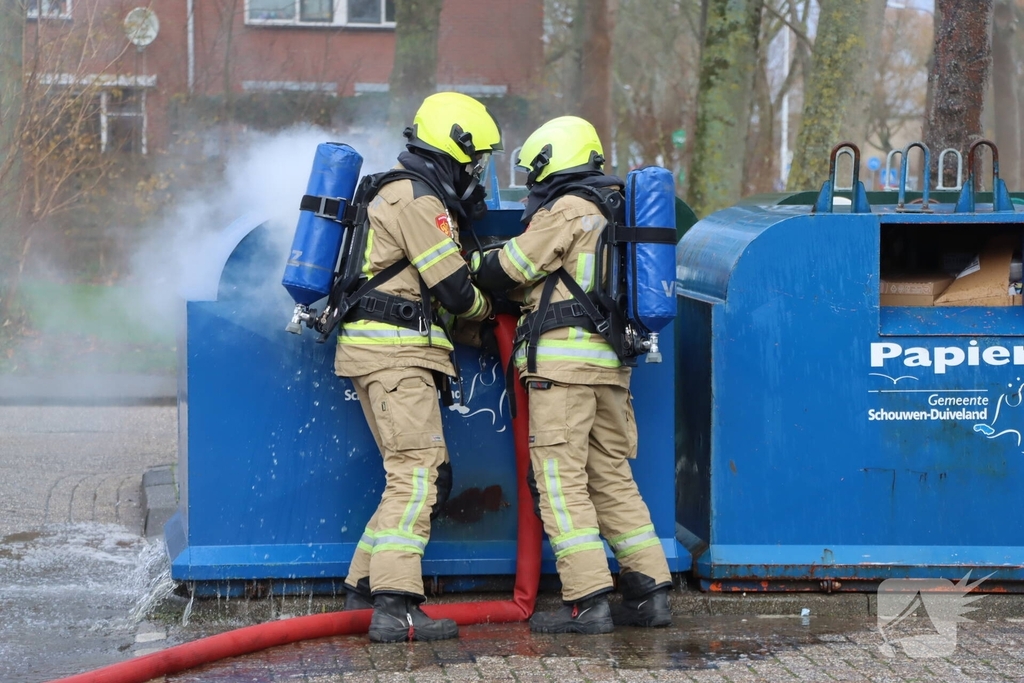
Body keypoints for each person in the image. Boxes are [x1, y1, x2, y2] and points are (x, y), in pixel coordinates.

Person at [472, 116, 672, 634]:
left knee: (559, 482)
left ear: (553, 161)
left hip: (563, 367)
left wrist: (473, 267)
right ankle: (650, 592)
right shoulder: (616, 207)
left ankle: (588, 602)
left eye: (536, 170)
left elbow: (512, 269)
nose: (535, 183)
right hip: (611, 367)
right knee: (611, 476)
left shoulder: (569, 209)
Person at [336, 92, 502, 643]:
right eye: (472, 160)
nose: (475, 173)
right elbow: (454, 290)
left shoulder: (408, 193)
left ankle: (364, 585)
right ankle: (397, 606)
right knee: (417, 475)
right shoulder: (415, 199)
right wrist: (491, 310)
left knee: (418, 472)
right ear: (450, 150)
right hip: (395, 355)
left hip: (388, 353)